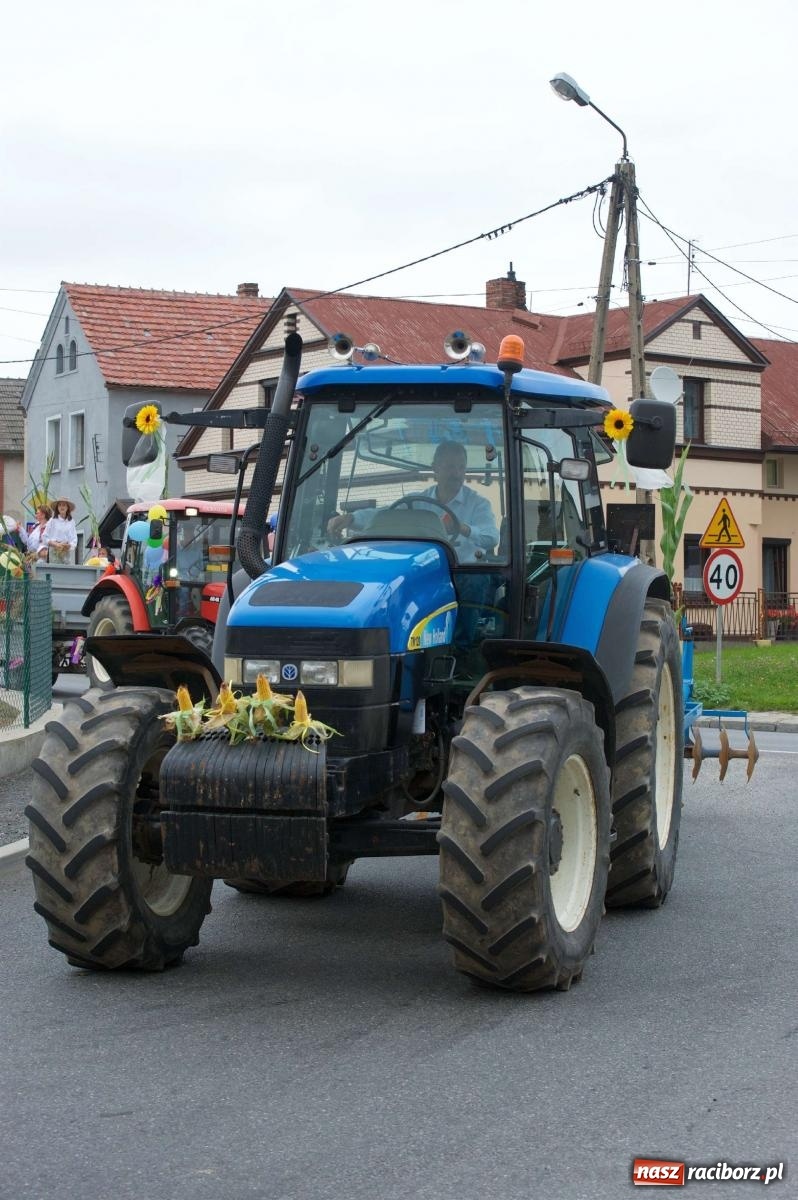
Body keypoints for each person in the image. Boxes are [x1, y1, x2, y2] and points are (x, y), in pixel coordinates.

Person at [327, 441, 499, 563]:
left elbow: (491, 537)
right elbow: (385, 515)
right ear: (435, 468)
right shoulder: (416, 502)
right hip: (423, 570)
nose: (457, 473)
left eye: (461, 467)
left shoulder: (478, 503)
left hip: (464, 572)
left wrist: (461, 528)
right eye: (450, 467)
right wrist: (351, 518)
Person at [45, 498, 78, 564]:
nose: (61, 507)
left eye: (64, 505)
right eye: (59, 505)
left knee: (66, 572)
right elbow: (44, 536)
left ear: (67, 508)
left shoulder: (71, 521)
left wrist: (69, 545)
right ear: (57, 508)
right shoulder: (52, 520)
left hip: (66, 552)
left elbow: (74, 539)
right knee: (55, 572)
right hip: (54, 551)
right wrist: (56, 544)